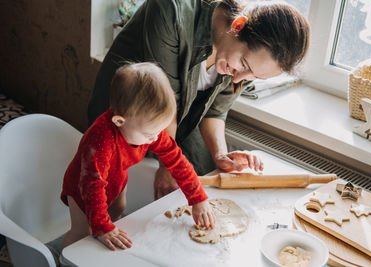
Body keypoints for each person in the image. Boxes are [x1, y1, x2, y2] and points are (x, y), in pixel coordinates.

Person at [88, 0, 310, 200]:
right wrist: (169, 164)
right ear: (238, 25)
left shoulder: (238, 62)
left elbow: (215, 112)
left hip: (180, 119)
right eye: (244, 64)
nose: (240, 77)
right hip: (130, 116)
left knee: (205, 178)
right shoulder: (171, 10)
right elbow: (166, 102)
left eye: (254, 76)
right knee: (118, 194)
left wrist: (221, 154)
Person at [61, 62, 215, 251]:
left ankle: (108, 237)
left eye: (159, 130)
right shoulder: (100, 140)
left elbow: (177, 160)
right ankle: (63, 257)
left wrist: (197, 198)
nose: (156, 138)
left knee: (118, 211)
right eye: (150, 133)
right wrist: (101, 227)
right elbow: (92, 185)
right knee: (83, 233)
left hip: (116, 178)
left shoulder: (150, 130)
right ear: (119, 121)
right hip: (83, 188)